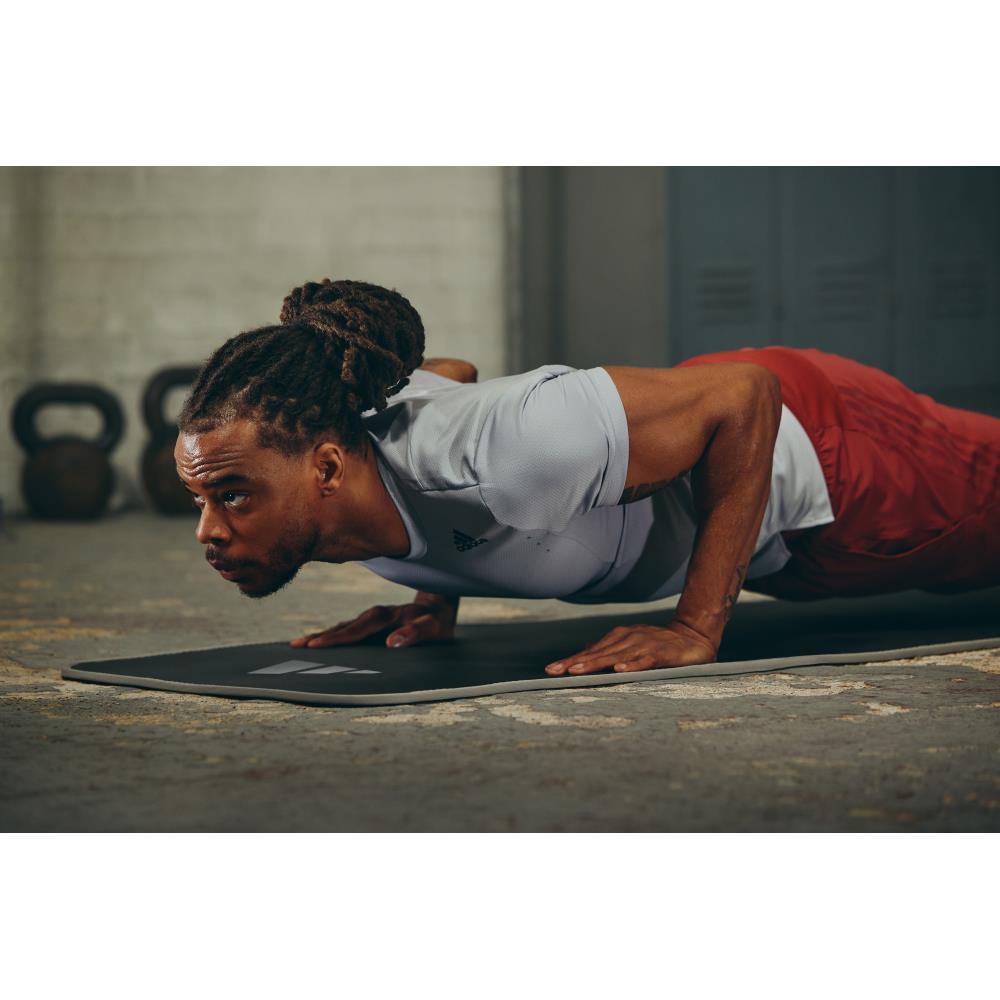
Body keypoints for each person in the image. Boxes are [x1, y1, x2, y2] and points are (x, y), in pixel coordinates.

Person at [175, 278, 1000, 677]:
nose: (210, 531)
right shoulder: (343, 465)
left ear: (324, 466)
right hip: (759, 521)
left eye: (233, 494)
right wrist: (433, 590)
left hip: (830, 462)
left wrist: (696, 630)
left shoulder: (517, 448)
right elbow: (447, 374)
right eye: (201, 498)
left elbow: (745, 397)